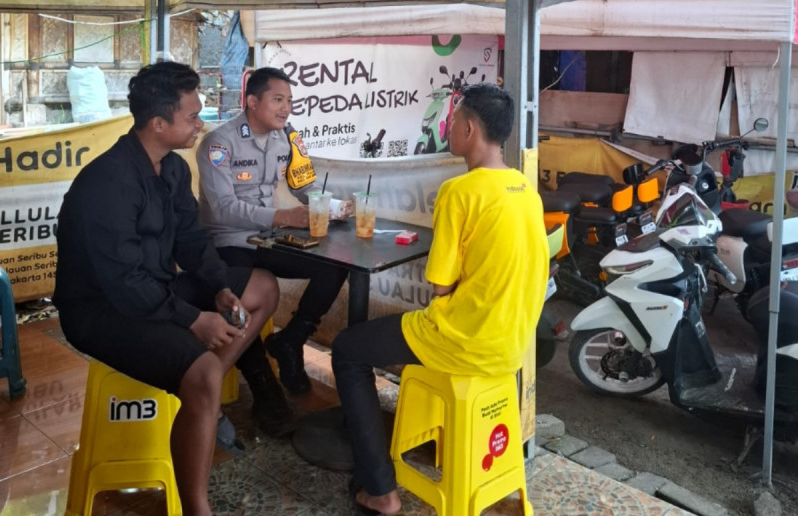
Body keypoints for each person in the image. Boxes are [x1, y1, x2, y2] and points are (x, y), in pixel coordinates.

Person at [53, 61, 291, 515]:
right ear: (158, 124)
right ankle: (198, 506)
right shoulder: (108, 182)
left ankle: (201, 399)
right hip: (101, 310)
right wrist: (194, 320)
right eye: (192, 116)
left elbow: (192, 240)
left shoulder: (174, 170)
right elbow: (123, 283)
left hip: (154, 288)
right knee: (203, 374)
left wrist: (219, 289)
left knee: (261, 288)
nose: (201, 124)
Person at [330, 83, 549, 514]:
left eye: (453, 120)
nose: (447, 127)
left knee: (348, 350)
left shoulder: (459, 192)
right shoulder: (525, 188)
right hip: (512, 347)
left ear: (469, 129)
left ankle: (380, 490)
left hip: (463, 340)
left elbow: (440, 288)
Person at [196, 67, 348, 395]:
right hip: (227, 241)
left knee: (335, 265)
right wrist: (282, 216)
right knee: (242, 299)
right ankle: (262, 384)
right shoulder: (219, 143)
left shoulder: (287, 137)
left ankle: (291, 341)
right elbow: (223, 209)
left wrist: (333, 206)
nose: (286, 108)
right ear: (252, 101)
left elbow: (303, 184)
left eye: (289, 101)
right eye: (278, 100)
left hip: (267, 238)